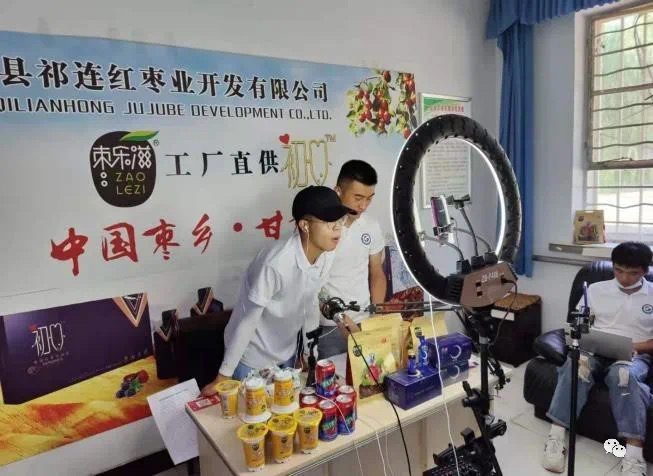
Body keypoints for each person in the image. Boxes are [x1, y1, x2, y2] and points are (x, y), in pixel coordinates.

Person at [201, 186, 354, 392]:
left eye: (340, 220)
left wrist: (309, 355)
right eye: (329, 222)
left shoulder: (326, 255)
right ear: (305, 225)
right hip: (251, 357)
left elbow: (309, 304)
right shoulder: (275, 263)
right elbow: (248, 321)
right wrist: (223, 376)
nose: (337, 228)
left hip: (286, 355)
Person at [542, 241, 653, 475]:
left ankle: (634, 455)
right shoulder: (595, 290)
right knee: (576, 367)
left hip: (634, 354)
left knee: (624, 376)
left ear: (645, 271)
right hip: (594, 349)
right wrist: (580, 334)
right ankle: (556, 438)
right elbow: (577, 324)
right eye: (618, 271)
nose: (624, 278)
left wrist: (634, 347)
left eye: (632, 273)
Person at [317, 160, 387, 358]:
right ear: (338, 191)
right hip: (329, 326)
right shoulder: (320, 229)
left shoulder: (371, 226)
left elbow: (377, 273)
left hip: (365, 320)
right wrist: (337, 315)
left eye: (369, 199)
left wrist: (377, 316)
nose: (363, 206)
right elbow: (310, 282)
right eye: (358, 198)